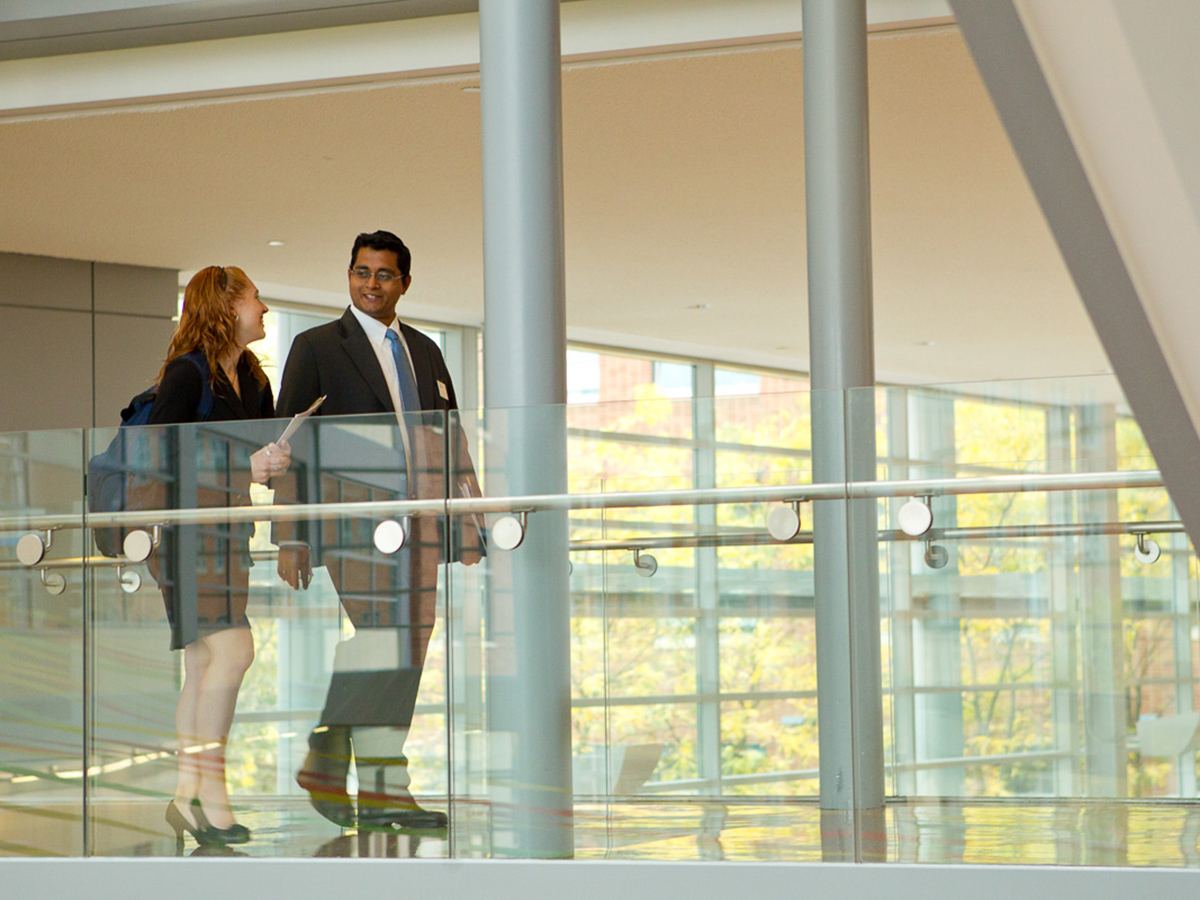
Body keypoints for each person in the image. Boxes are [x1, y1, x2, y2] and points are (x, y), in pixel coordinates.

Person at [275, 230, 484, 830]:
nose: (370, 283)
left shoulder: (425, 349)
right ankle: (327, 756)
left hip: (421, 521)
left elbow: (453, 439)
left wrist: (470, 515)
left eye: (383, 274)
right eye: (361, 272)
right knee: (380, 636)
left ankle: (382, 794)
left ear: (404, 283)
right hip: (354, 521)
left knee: (410, 646)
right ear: (349, 276)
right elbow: (287, 446)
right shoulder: (316, 346)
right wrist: (290, 533)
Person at [143, 265, 291, 848]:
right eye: (256, 298)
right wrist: (242, 467)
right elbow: (159, 458)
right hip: (186, 534)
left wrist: (275, 458)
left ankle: (186, 798)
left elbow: (257, 451)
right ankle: (211, 792)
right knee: (235, 650)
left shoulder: (251, 377)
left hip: (230, 534)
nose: (265, 309)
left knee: (204, 666)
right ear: (226, 306)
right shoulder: (187, 374)